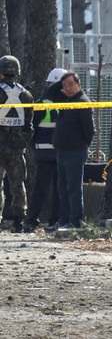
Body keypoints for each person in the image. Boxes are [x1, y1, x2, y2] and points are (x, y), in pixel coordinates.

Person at [24, 68, 68, 232]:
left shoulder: (42, 103)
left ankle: (33, 221)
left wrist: (34, 146)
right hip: (57, 152)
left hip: (44, 152)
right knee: (57, 189)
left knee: (42, 188)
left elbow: (31, 128)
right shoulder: (65, 103)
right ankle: (53, 220)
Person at [54, 71, 93, 230]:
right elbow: (50, 92)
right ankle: (63, 220)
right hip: (62, 150)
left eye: (70, 84)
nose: (67, 88)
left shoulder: (82, 102)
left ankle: (75, 221)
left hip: (75, 151)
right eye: (64, 86)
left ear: (79, 85)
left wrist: (82, 145)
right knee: (62, 188)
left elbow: (89, 130)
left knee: (74, 188)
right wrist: (61, 82)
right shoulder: (67, 99)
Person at [0, 55, 33, 232]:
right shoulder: (25, 94)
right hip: (17, 148)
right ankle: (18, 221)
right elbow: (29, 123)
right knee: (17, 184)